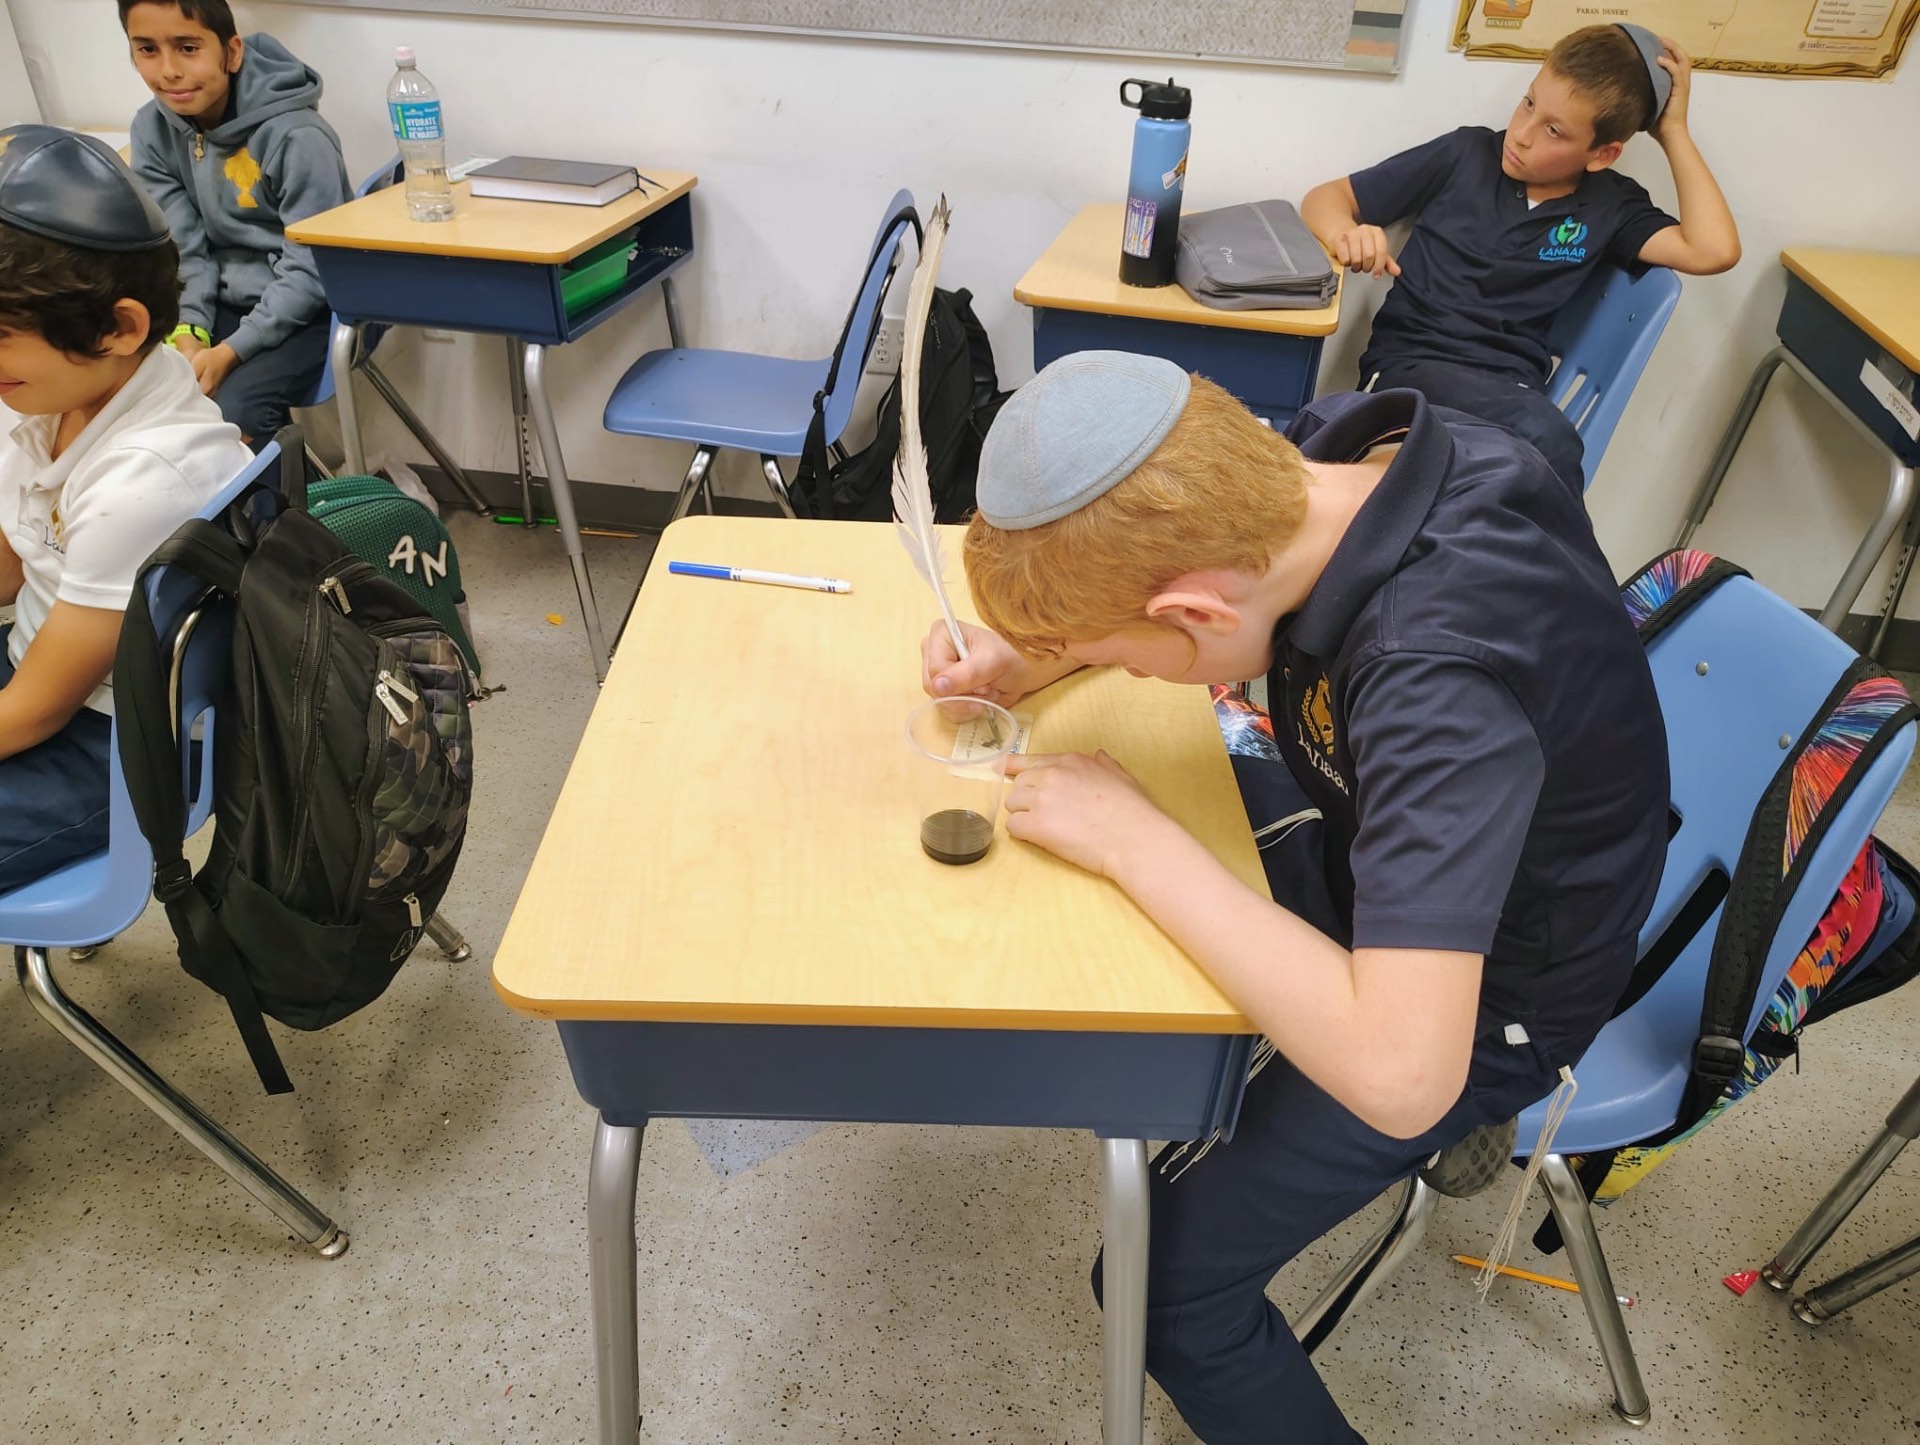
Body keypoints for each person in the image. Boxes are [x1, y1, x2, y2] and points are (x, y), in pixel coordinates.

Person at [918, 350, 1669, 1442]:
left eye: (1115, 649)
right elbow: (1193, 585)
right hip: (1388, 841)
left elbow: (1405, 1072)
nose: (1094, 664)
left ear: (1191, 608)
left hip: (1485, 1002)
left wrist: (1142, 845)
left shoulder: (1434, 682)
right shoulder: (1333, 454)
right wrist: (1039, 654)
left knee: (1160, 1289)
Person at [1300, 23, 1740, 493]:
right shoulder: (1464, 155)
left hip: (1512, 391)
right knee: (1541, 443)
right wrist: (1347, 234)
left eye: (1553, 130)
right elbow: (1326, 198)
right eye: (1529, 103)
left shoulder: (1611, 206)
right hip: (1411, 370)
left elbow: (1713, 249)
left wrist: (1673, 131)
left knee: (1511, 468)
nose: (1523, 134)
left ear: (1603, 154)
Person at [0, 125, 251, 892]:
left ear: (120, 327)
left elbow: (35, 711)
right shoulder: (58, 391)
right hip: (44, 661)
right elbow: (14, 572)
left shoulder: (145, 480)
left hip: (110, 743)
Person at [119, 0, 350, 443]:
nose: (169, 70)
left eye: (188, 48)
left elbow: (312, 266)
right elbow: (182, 249)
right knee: (133, 386)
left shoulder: (297, 136)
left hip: (315, 307)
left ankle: (275, 514)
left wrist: (230, 352)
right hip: (220, 301)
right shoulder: (151, 129)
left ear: (232, 53)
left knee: (234, 412)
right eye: (147, 49)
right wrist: (189, 332)